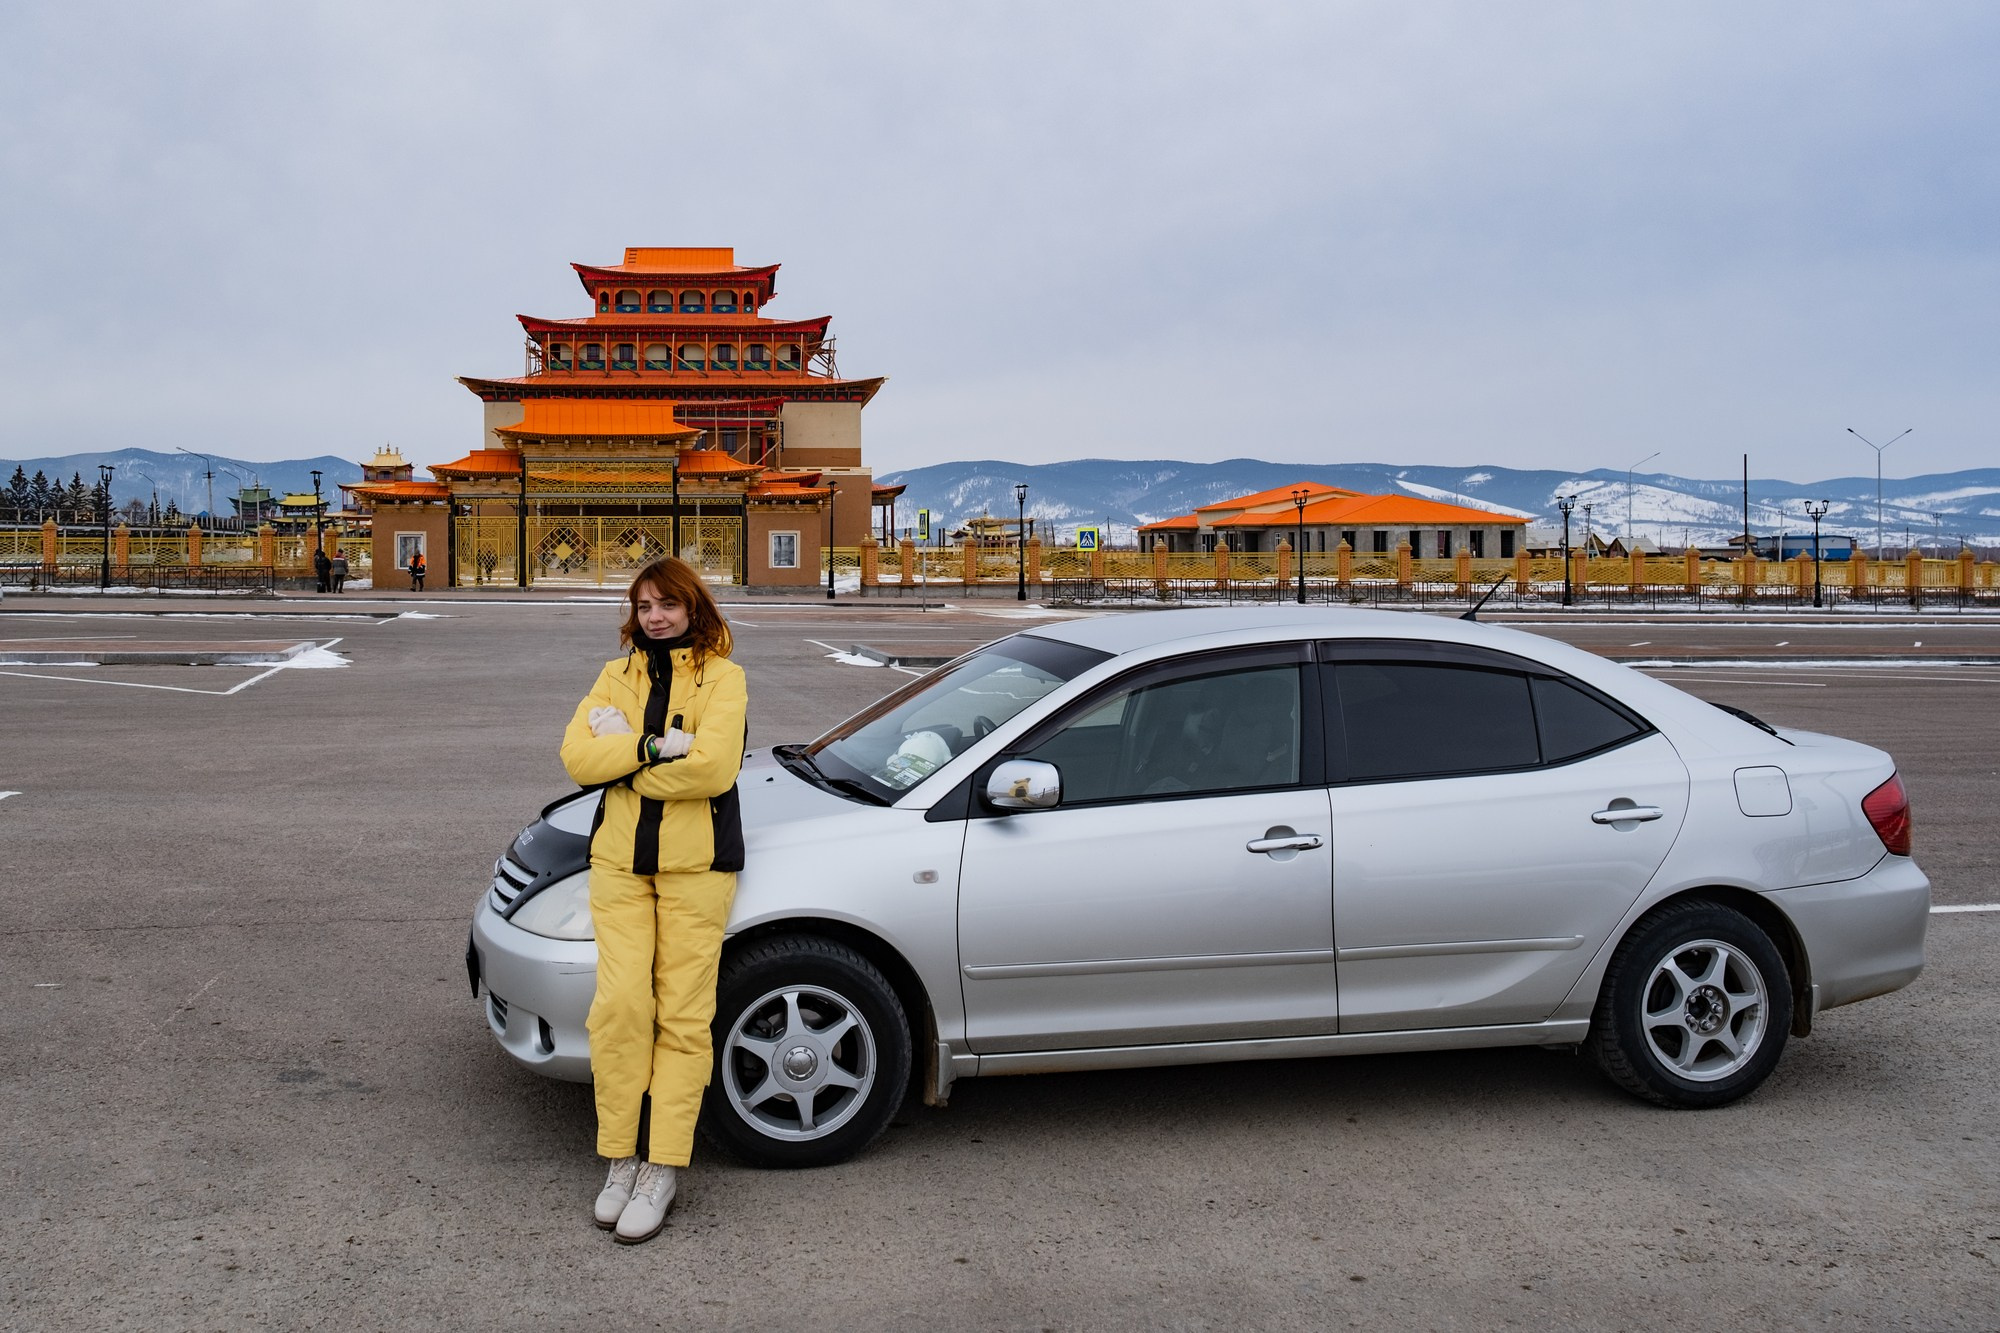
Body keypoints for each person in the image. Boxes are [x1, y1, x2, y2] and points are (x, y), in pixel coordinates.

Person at [559, 557, 746, 1245]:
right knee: (620, 1008)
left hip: (698, 866)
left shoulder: (726, 679)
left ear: (694, 606)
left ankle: (663, 1164)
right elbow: (578, 759)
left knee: (684, 1018)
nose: (655, 616)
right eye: (644, 606)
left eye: (667, 603)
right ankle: (620, 1156)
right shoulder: (616, 675)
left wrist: (626, 764)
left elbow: (715, 768)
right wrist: (654, 747)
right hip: (619, 864)